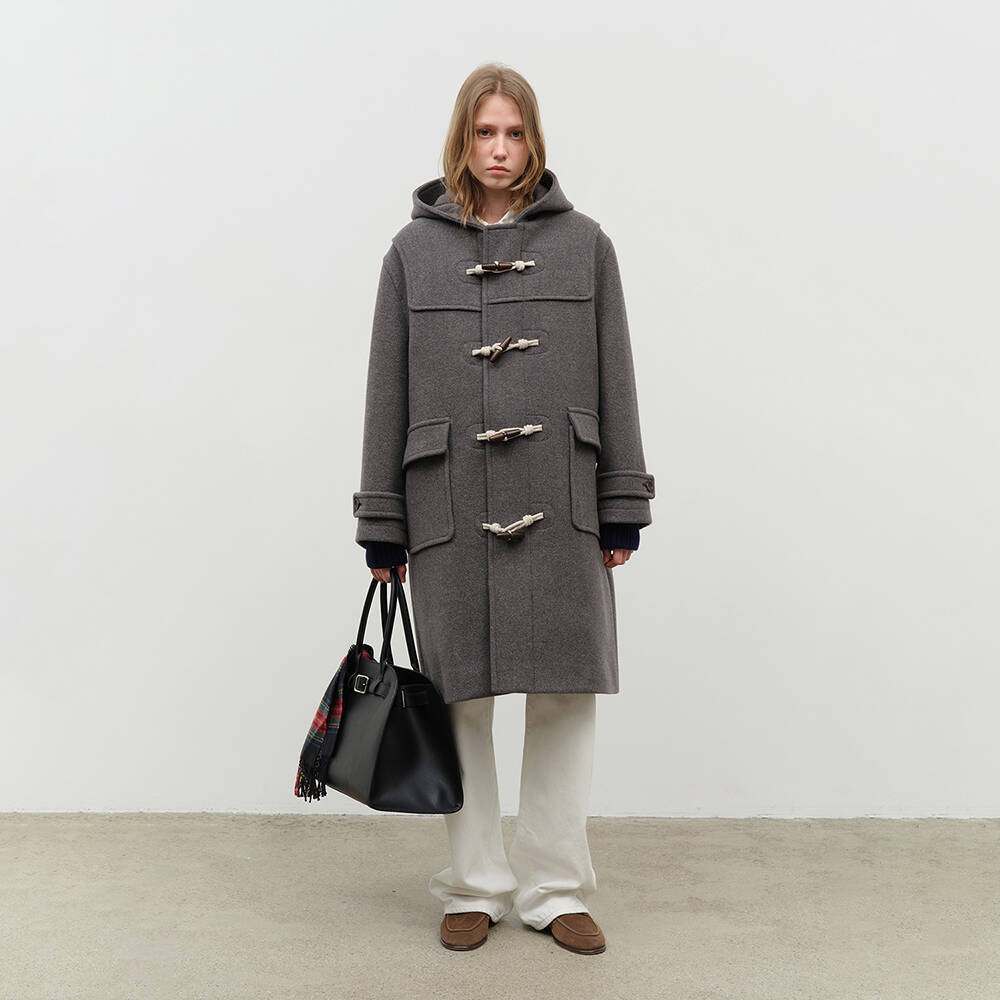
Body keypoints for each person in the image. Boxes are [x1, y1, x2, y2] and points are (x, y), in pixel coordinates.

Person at [352, 63, 655, 955]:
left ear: (534, 141)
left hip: (560, 498)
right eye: (485, 132)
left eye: (514, 133)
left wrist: (621, 500)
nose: (499, 149)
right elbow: (386, 391)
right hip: (448, 500)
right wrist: (382, 521)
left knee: (565, 693)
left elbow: (617, 375)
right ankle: (477, 884)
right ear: (462, 138)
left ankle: (555, 888)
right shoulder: (411, 253)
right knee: (460, 699)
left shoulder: (586, 245)